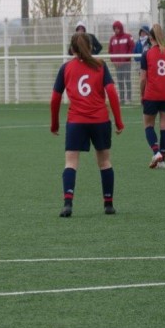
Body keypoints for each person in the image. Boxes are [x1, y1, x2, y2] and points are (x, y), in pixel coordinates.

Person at [50, 32, 124, 217]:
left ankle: (68, 203)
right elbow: (112, 93)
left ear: (72, 49)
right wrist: (118, 121)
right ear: (90, 47)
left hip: (76, 122)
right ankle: (108, 204)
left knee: (71, 162)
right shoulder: (100, 65)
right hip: (100, 120)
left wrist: (55, 123)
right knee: (105, 162)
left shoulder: (65, 68)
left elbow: (55, 98)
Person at [140, 23, 165, 169]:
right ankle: (162, 160)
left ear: (150, 38)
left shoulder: (147, 54)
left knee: (148, 125)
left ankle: (156, 152)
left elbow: (143, 78)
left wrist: (141, 94)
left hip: (151, 95)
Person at [108, 20, 135, 104]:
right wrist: (114, 61)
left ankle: (129, 99)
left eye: (118, 28)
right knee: (120, 81)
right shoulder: (112, 39)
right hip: (117, 65)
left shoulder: (128, 36)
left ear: (121, 28)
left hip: (126, 63)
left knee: (127, 80)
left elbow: (132, 48)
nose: (116, 30)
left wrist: (126, 59)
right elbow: (110, 51)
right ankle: (122, 98)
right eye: (115, 28)